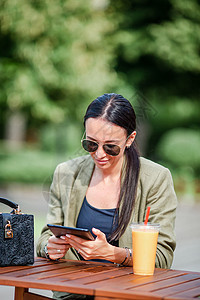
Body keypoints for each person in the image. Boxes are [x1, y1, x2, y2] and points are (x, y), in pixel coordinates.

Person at [37, 93, 177, 299]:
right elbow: (45, 236)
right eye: (91, 144)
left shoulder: (156, 178)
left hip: (128, 294)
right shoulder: (66, 173)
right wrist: (50, 247)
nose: (100, 154)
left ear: (130, 139)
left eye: (110, 146)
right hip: (73, 292)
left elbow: (163, 257)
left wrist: (114, 254)